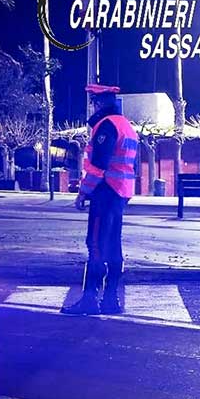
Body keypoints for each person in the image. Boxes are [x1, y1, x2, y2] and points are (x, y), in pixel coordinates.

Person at [62, 84, 139, 315]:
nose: (92, 105)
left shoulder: (106, 126)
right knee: (113, 246)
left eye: (94, 101)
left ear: (101, 102)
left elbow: (98, 165)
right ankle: (111, 300)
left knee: (95, 245)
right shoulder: (127, 126)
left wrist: (84, 192)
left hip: (105, 192)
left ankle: (89, 299)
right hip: (120, 193)